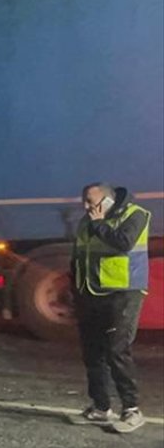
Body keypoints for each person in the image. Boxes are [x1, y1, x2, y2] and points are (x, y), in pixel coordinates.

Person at [67, 183, 152, 433]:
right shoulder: (87, 221)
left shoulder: (136, 214)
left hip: (123, 293)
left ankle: (132, 409)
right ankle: (101, 407)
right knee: (93, 352)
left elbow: (123, 243)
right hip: (90, 293)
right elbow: (79, 256)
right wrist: (74, 289)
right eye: (83, 201)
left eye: (89, 202)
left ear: (106, 202)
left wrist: (99, 224)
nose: (85, 207)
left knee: (117, 349)